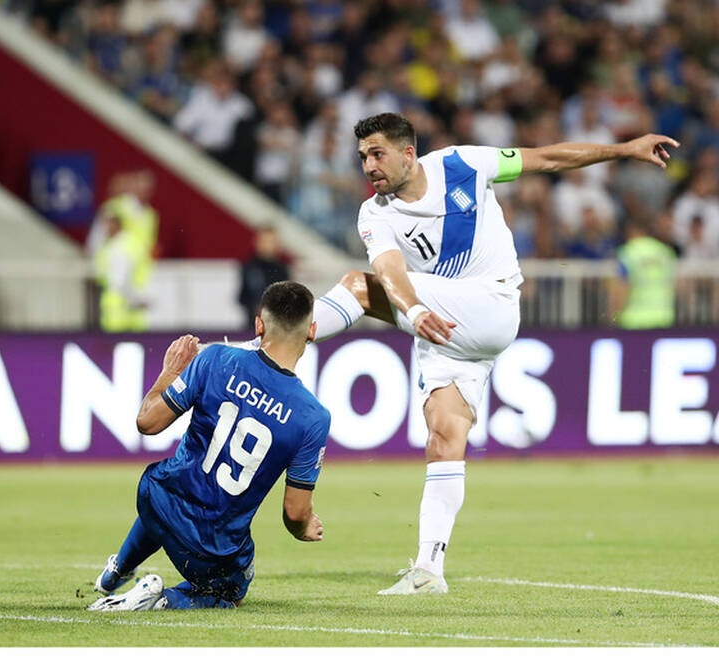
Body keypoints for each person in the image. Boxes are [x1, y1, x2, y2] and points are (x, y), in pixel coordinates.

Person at [282, 112, 677, 594]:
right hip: (447, 324)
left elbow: (548, 158)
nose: (369, 165)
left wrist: (624, 149)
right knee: (444, 437)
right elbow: (390, 268)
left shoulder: (463, 164)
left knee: (355, 288)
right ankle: (429, 571)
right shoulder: (376, 213)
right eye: (363, 156)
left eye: (377, 153)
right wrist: (415, 307)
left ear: (409, 153)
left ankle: (269, 348)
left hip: (488, 303)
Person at [88, 281, 329, 611]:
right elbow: (294, 513)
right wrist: (305, 526)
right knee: (233, 587)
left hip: (158, 500)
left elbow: (147, 422)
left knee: (168, 490)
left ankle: (116, 572)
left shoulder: (216, 359)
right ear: (312, 331)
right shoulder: (313, 416)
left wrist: (170, 371)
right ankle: (161, 601)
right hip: (212, 548)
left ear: (259, 324)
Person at [610, 218, 677, 329]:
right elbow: (675, 284)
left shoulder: (628, 252)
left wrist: (614, 316)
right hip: (664, 317)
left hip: (635, 319)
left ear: (632, 231)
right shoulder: (665, 252)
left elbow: (621, 287)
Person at [237, 225, 290, 330]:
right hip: (253, 326)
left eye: (270, 241)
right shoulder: (249, 267)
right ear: (257, 242)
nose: (266, 245)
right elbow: (242, 297)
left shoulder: (282, 269)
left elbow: (287, 298)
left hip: (277, 326)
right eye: (264, 241)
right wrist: (255, 307)